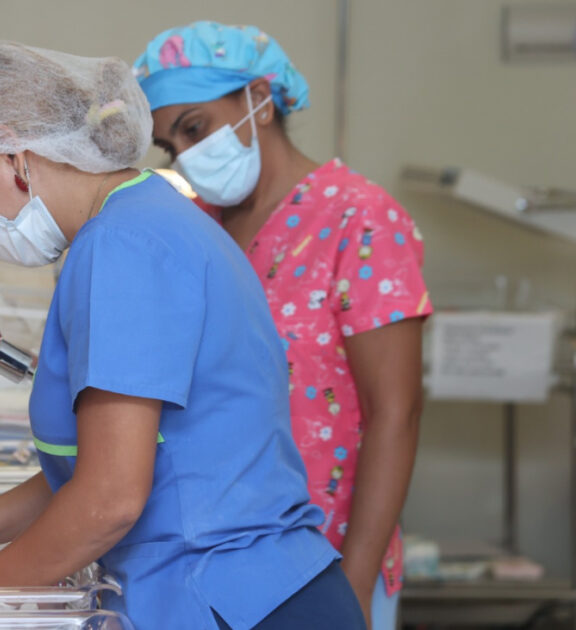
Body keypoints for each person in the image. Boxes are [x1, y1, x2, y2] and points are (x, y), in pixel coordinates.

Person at [0, 41, 364, 630]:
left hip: (237, 601)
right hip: (256, 589)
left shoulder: (122, 247)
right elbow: (102, 463)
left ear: (11, 154)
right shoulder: (145, 218)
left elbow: (110, 498)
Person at [134, 21, 431, 630]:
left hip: (328, 561)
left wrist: (354, 586)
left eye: (195, 128)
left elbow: (395, 414)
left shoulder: (360, 220)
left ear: (260, 101)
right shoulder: (199, 226)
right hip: (213, 562)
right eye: (171, 144)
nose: (186, 154)